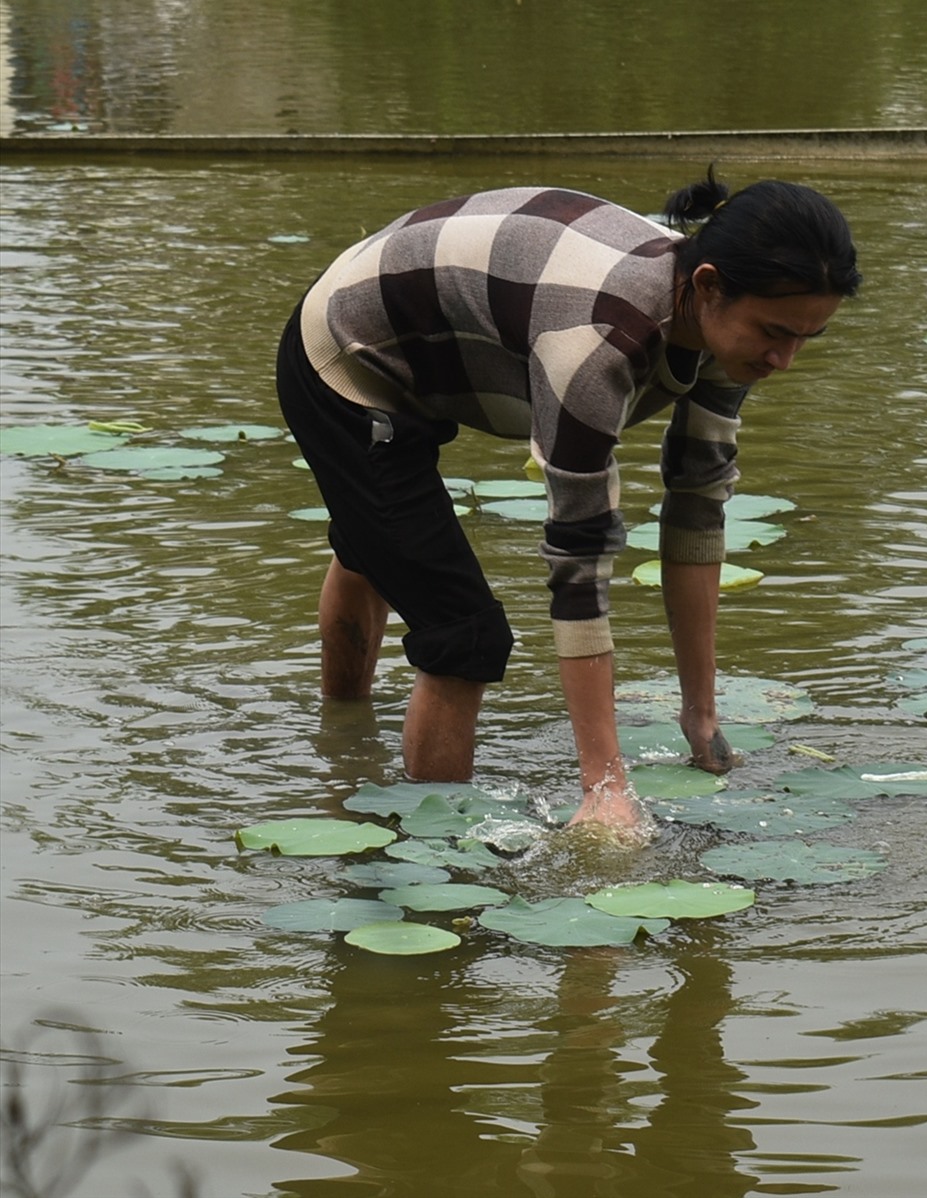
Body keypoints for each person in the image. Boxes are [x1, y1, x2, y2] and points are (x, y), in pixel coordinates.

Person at [274, 172, 861, 832]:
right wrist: (603, 783)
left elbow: (697, 508)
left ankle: (343, 744)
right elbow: (578, 561)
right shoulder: (598, 339)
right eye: (776, 333)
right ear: (707, 285)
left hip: (435, 338)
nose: (786, 359)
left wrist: (699, 712)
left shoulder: (733, 328)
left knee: (382, 544)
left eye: (808, 338)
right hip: (347, 353)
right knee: (464, 636)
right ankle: (422, 859)